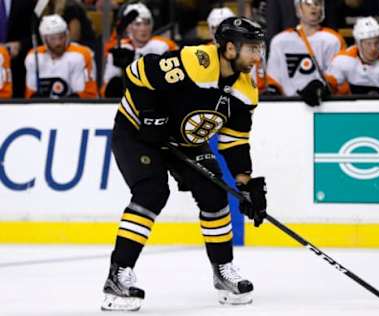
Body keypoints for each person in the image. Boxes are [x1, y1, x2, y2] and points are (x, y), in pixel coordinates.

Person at [101, 16, 267, 311]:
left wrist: (247, 184)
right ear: (230, 48)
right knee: (152, 192)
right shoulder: (197, 62)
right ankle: (118, 275)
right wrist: (151, 114)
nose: (257, 56)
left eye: (259, 48)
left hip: (183, 143)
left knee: (215, 195)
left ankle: (223, 271)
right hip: (137, 132)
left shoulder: (246, 90)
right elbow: (137, 72)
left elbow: (234, 142)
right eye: (252, 48)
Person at [266, 0, 346, 105]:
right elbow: (273, 79)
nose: (313, 7)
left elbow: (338, 76)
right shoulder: (280, 41)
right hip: (287, 105)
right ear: (298, 8)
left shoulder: (333, 40)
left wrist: (322, 88)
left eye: (317, 4)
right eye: (308, 3)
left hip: (323, 104)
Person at [102, 2, 177, 97]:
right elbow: (107, 91)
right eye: (137, 24)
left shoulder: (165, 46)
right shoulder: (119, 49)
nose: (143, 28)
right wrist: (122, 71)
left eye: (146, 23)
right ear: (129, 28)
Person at [324, 17, 379, 95]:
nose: (373, 48)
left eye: (377, 42)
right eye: (368, 43)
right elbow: (330, 87)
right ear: (358, 44)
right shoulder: (341, 60)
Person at [24, 14, 97, 98]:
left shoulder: (82, 55)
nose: (58, 43)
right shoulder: (33, 57)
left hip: (74, 108)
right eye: (53, 39)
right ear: (44, 39)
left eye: (61, 37)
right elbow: (30, 95)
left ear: (67, 35)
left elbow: (87, 94)